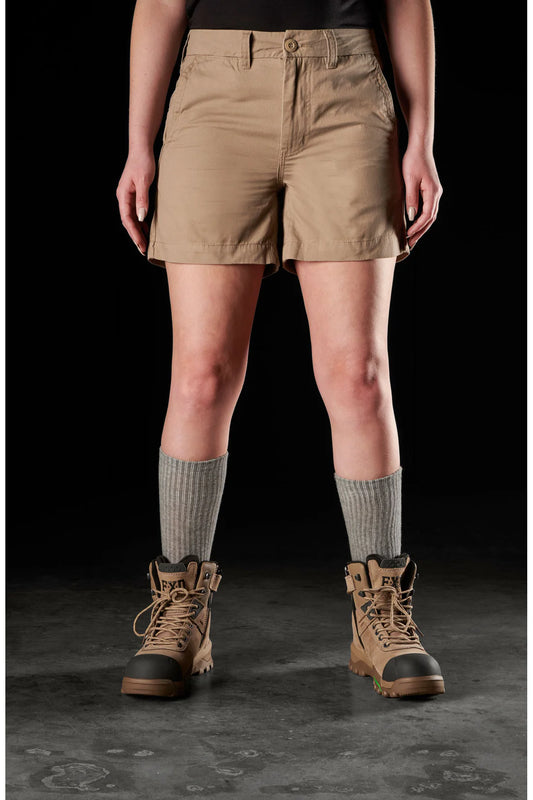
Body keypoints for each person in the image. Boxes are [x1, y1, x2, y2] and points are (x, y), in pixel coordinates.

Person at [116, 0, 445, 700]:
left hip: (346, 91)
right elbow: (161, 4)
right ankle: (181, 611)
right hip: (214, 97)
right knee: (202, 375)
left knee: (358, 375)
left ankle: (379, 614)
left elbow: (406, 2)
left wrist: (420, 140)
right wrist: (139, 143)